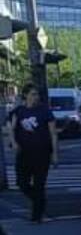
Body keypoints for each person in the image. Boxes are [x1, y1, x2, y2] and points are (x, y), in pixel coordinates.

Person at [9, 83, 58, 223]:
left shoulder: (45, 111)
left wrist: (55, 154)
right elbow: (11, 128)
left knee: (39, 184)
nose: (36, 97)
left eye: (37, 94)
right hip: (24, 153)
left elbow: (53, 133)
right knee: (22, 183)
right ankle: (40, 201)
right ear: (26, 95)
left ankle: (36, 216)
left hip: (42, 153)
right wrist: (14, 142)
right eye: (33, 94)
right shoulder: (19, 111)